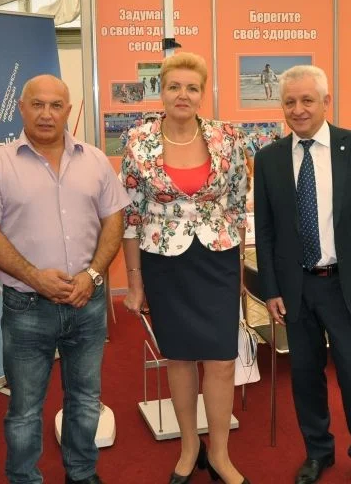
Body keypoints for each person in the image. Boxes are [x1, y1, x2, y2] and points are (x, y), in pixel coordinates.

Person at [0, 74, 128, 484]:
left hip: (87, 301)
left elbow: (114, 221)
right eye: (37, 104)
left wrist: (93, 274)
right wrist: (35, 277)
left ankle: (82, 472)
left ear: (68, 111)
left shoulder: (94, 160)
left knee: (86, 399)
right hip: (27, 306)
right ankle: (24, 478)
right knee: (24, 408)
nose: (46, 114)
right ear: (21, 108)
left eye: (56, 105)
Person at [254, 65, 351, 484]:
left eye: (307, 100)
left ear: (326, 102)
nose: (298, 110)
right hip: (296, 289)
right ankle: (318, 452)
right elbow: (265, 231)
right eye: (290, 102)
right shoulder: (269, 159)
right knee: (304, 376)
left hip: (346, 284)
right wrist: (271, 289)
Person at [120, 52, 249, 484]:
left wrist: (239, 269)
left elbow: (237, 206)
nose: (183, 95)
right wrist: (134, 283)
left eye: (192, 88)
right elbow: (131, 217)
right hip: (164, 263)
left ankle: (220, 454)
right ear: (161, 90)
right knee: (178, 357)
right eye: (174, 86)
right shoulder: (138, 142)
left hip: (217, 259)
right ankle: (189, 446)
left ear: (202, 93)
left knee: (222, 360)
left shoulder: (227, 137)